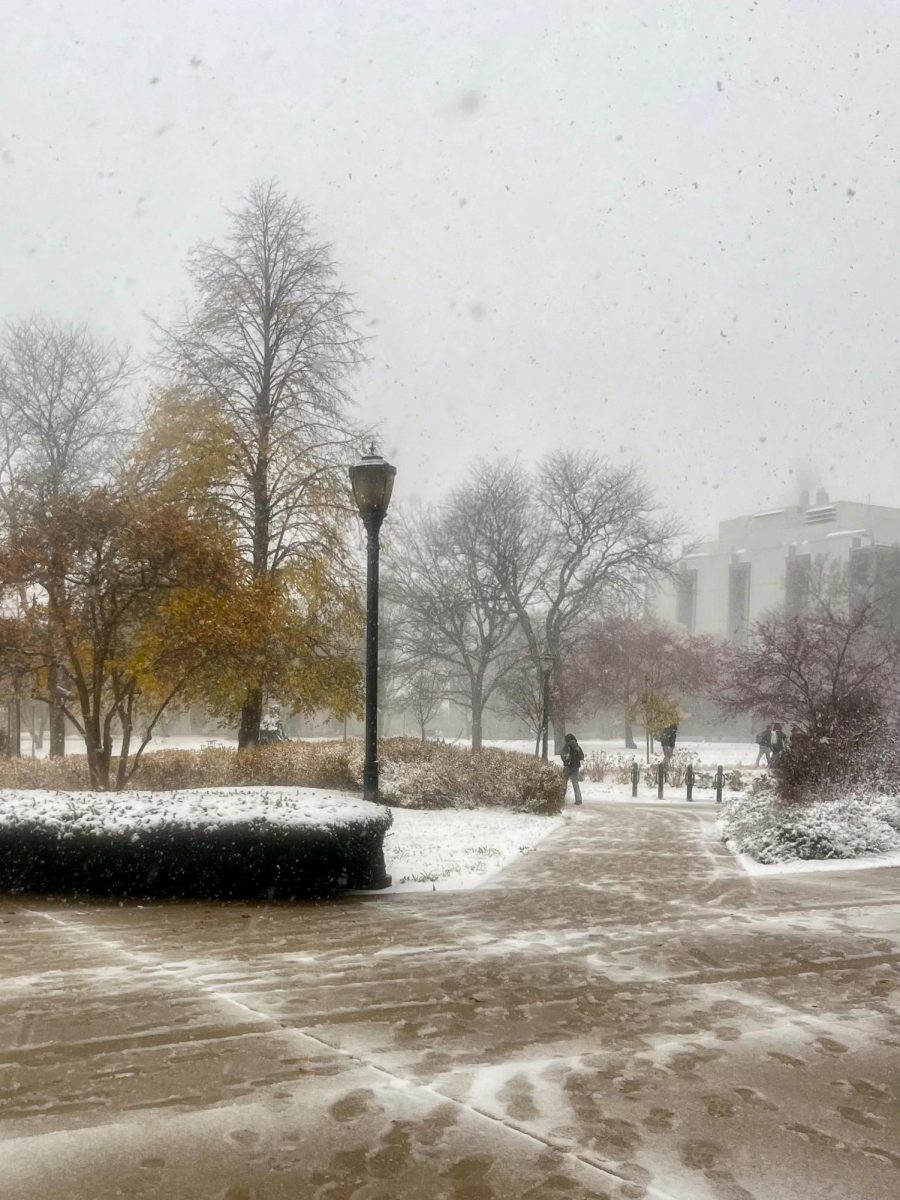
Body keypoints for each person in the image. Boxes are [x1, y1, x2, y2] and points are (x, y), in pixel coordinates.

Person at [560, 732, 585, 805]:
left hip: (567, 767)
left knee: (563, 783)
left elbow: (562, 755)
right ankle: (579, 800)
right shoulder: (577, 746)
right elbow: (582, 756)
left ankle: (561, 799)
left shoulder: (566, 746)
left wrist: (566, 761)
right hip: (575, 767)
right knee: (575, 784)